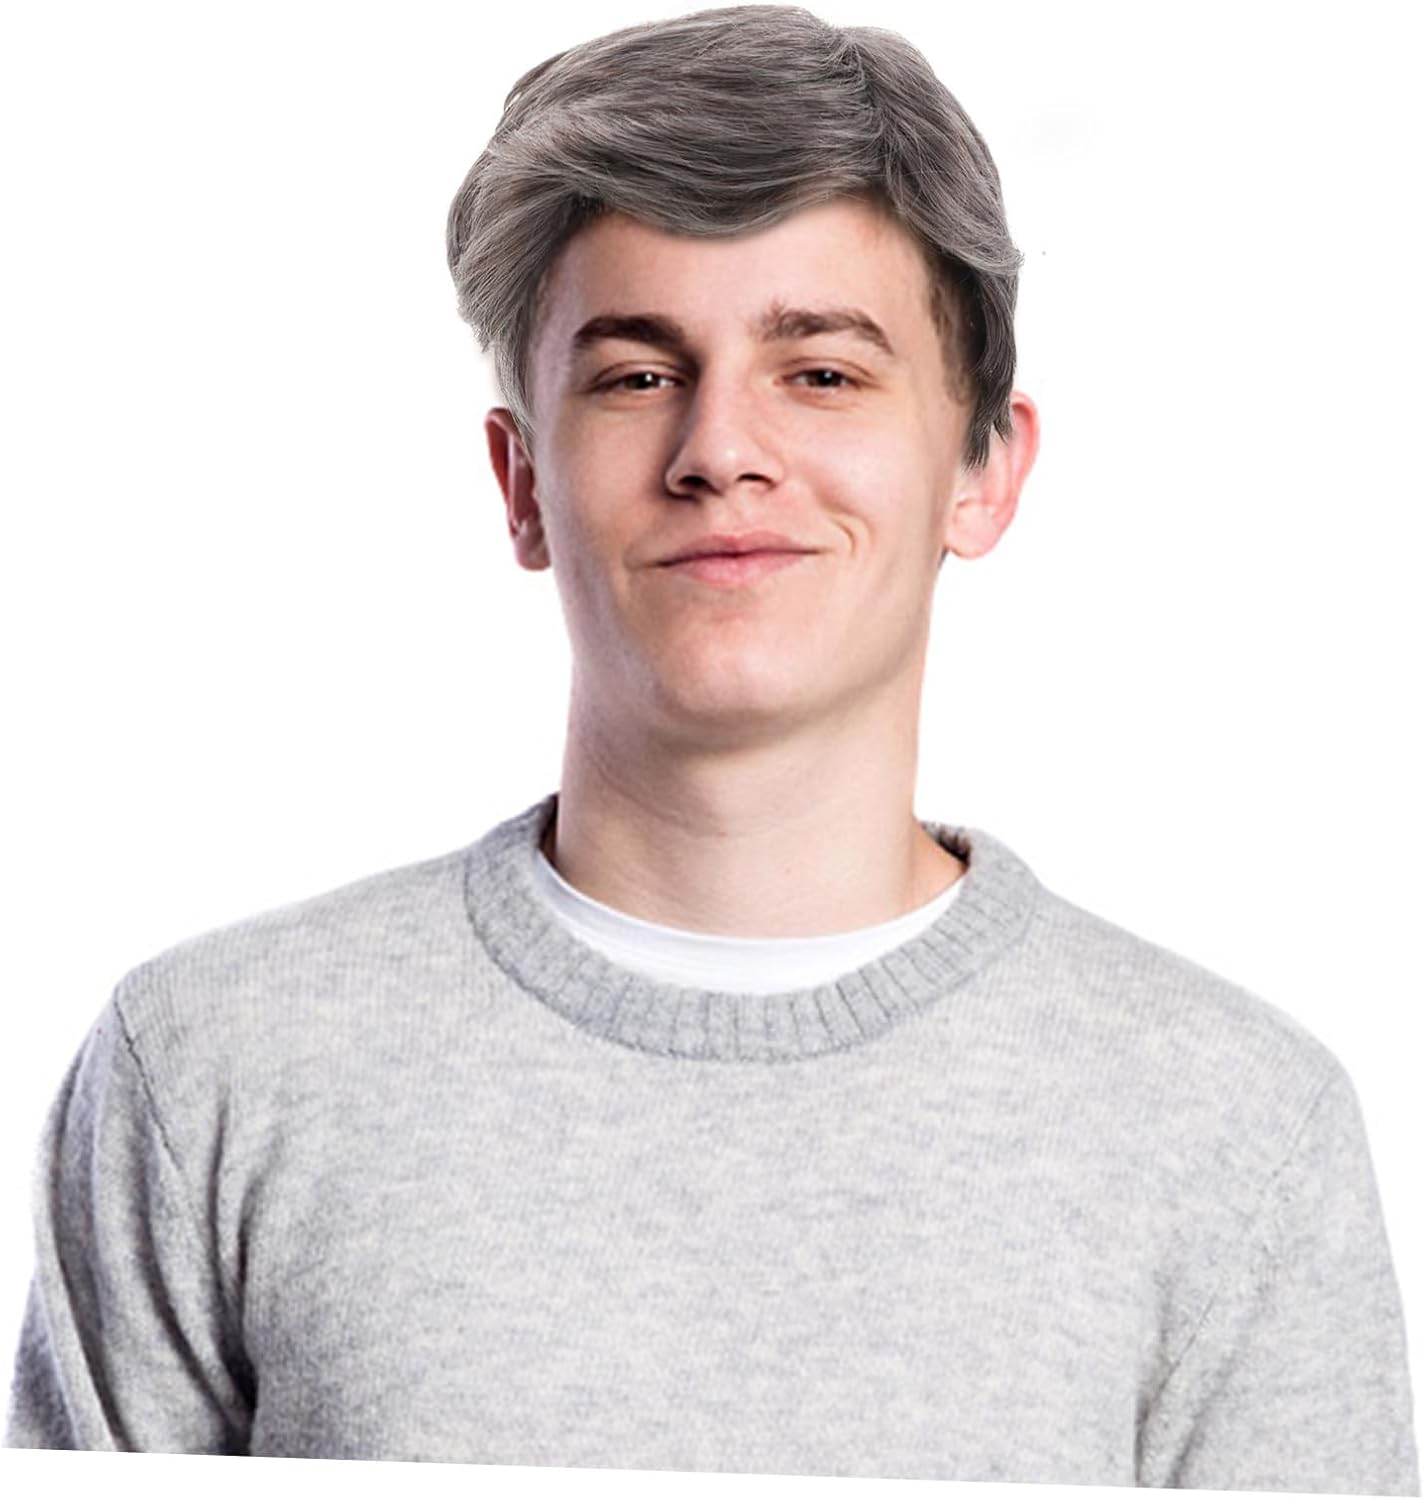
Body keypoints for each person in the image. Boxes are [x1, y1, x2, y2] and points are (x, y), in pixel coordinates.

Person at [4, 3, 1418, 1489]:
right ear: (521, 483)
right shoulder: (214, 1070)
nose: (720, 450)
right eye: (635, 374)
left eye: (822, 372)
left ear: (983, 469)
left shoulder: (1235, 1129)